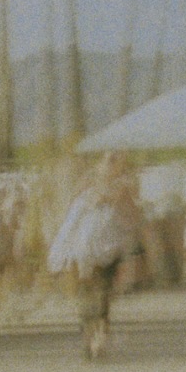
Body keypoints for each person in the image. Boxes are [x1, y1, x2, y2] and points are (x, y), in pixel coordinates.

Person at [49, 152, 143, 360]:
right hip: (84, 249)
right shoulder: (87, 186)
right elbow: (70, 218)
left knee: (101, 295)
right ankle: (89, 338)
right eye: (108, 160)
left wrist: (114, 200)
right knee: (87, 294)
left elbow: (133, 218)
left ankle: (98, 338)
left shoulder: (123, 188)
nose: (111, 165)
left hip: (109, 250)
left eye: (114, 161)